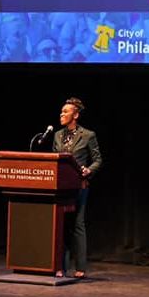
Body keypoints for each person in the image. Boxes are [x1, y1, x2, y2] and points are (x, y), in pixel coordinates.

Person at [53, 97, 102, 278]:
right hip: (60, 187)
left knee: (77, 225)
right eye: (61, 111)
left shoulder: (88, 135)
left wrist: (88, 170)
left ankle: (80, 267)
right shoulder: (57, 135)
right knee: (61, 226)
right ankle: (61, 267)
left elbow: (98, 159)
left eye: (65, 112)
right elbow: (55, 160)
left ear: (75, 115)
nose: (62, 114)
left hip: (79, 185)